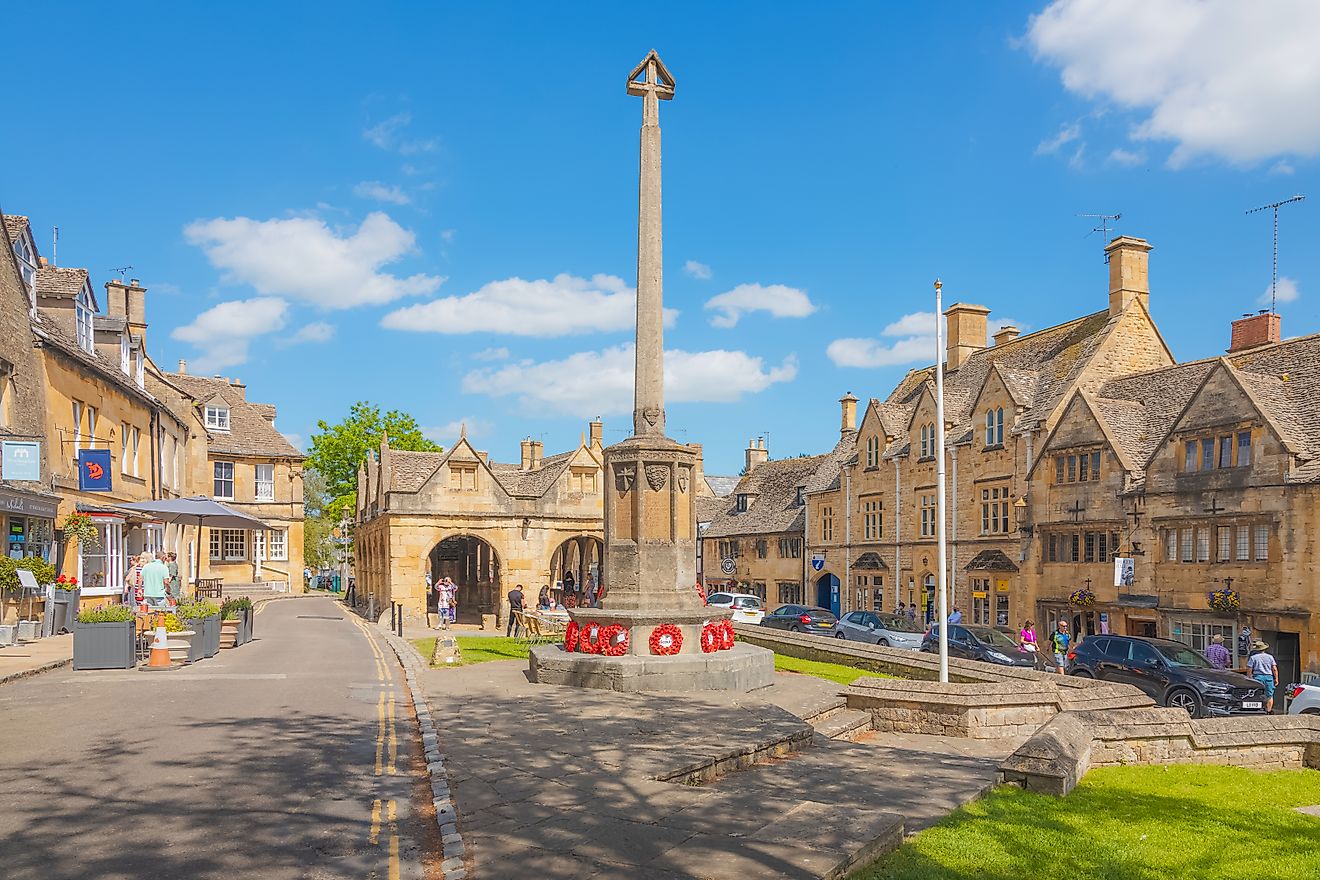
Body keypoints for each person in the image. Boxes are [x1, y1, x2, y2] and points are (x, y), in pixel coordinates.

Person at [1247, 639, 1279, 713]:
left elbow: (1249, 669)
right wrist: (1276, 678)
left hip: (1257, 677)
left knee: (1257, 694)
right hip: (1268, 677)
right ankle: (1268, 711)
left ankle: (1258, 710)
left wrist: (1249, 678)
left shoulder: (1253, 657)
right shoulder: (1270, 657)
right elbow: (1274, 669)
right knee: (1270, 695)